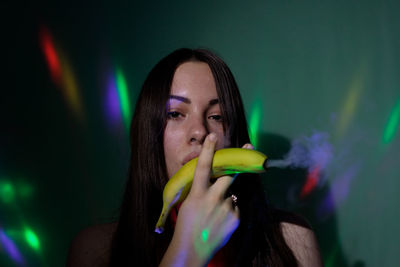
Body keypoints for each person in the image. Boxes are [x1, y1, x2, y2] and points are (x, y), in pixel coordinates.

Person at [67, 48, 323, 266]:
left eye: (216, 116)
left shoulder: (292, 240)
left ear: (234, 137)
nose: (200, 131)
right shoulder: (94, 251)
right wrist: (187, 253)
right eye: (175, 114)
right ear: (149, 133)